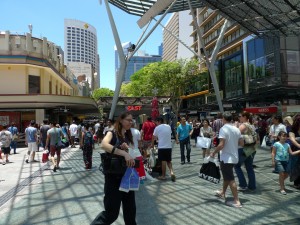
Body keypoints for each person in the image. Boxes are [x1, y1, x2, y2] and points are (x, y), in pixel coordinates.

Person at [94, 112, 137, 225]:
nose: (130, 122)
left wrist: (127, 150)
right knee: (111, 213)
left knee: (130, 211)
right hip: (113, 177)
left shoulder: (127, 135)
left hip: (127, 176)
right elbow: (104, 145)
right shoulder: (111, 132)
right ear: (121, 120)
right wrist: (123, 152)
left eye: (131, 120)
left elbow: (128, 153)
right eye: (128, 120)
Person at [210, 112, 244, 208]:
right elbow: (242, 143)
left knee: (230, 179)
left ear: (224, 119)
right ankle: (222, 193)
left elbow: (221, 145)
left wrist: (213, 152)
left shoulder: (223, 129)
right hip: (234, 157)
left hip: (226, 158)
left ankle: (237, 201)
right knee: (227, 176)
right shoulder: (236, 129)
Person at [234, 111, 257, 191]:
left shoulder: (244, 125)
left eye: (240, 116)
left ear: (244, 117)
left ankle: (243, 185)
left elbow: (235, 134)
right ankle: (252, 186)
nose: (239, 118)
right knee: (249, 167)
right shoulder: (251, 125)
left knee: (237, 166)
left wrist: (236, 126)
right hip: (252, 148)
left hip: (244, 149)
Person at [152, 116, 175, 181]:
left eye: (156, 122)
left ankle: (163, 175)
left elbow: (153, 137)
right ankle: (172, 172)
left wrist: (152, 145)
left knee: (163, 161)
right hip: (169, 147)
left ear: (159, 121)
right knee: (169, 161)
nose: (156, 123)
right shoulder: (168, 126)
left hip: (162, 147)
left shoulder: (157, 128)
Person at [288, 116, 300, 189]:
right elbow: (292, 140)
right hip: (296, 150)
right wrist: (299, 146)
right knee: (295, 167)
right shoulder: (293, 130)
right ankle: (297, 182)